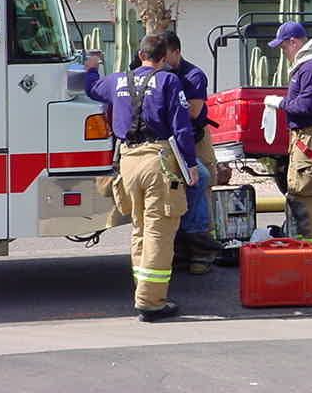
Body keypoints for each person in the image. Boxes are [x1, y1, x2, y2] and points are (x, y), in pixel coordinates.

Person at [84, 34, 198, 322]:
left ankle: (142, 291)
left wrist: (92, 67)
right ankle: (151, 302)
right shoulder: (169, 81)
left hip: (127, 164)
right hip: (157, 162)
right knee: (160, 230)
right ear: (163, 59)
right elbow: (181, 127)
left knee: (139, 229)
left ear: (139, 54)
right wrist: (191, 165)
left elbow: (92, 90)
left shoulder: (117, 81)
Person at [263, 21, 312, 282]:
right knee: (303, 201)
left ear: (294, 42)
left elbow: (304, 106)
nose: (283, 52)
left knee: (308, 202)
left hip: (310, 139)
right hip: (306, 139)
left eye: (284, 47)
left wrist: (279, 103)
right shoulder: (307, 66)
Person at [165, 31, 220, 275]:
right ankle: (180, 252)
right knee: (175, 194)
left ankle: (201, 253)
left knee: (202, 187)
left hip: (196, 139)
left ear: (177, 52)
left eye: (165, 56)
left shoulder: (193, 76)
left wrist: (162, 105)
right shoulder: (160, 73)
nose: (162, 61)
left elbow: (194, 112)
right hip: (171, 141)